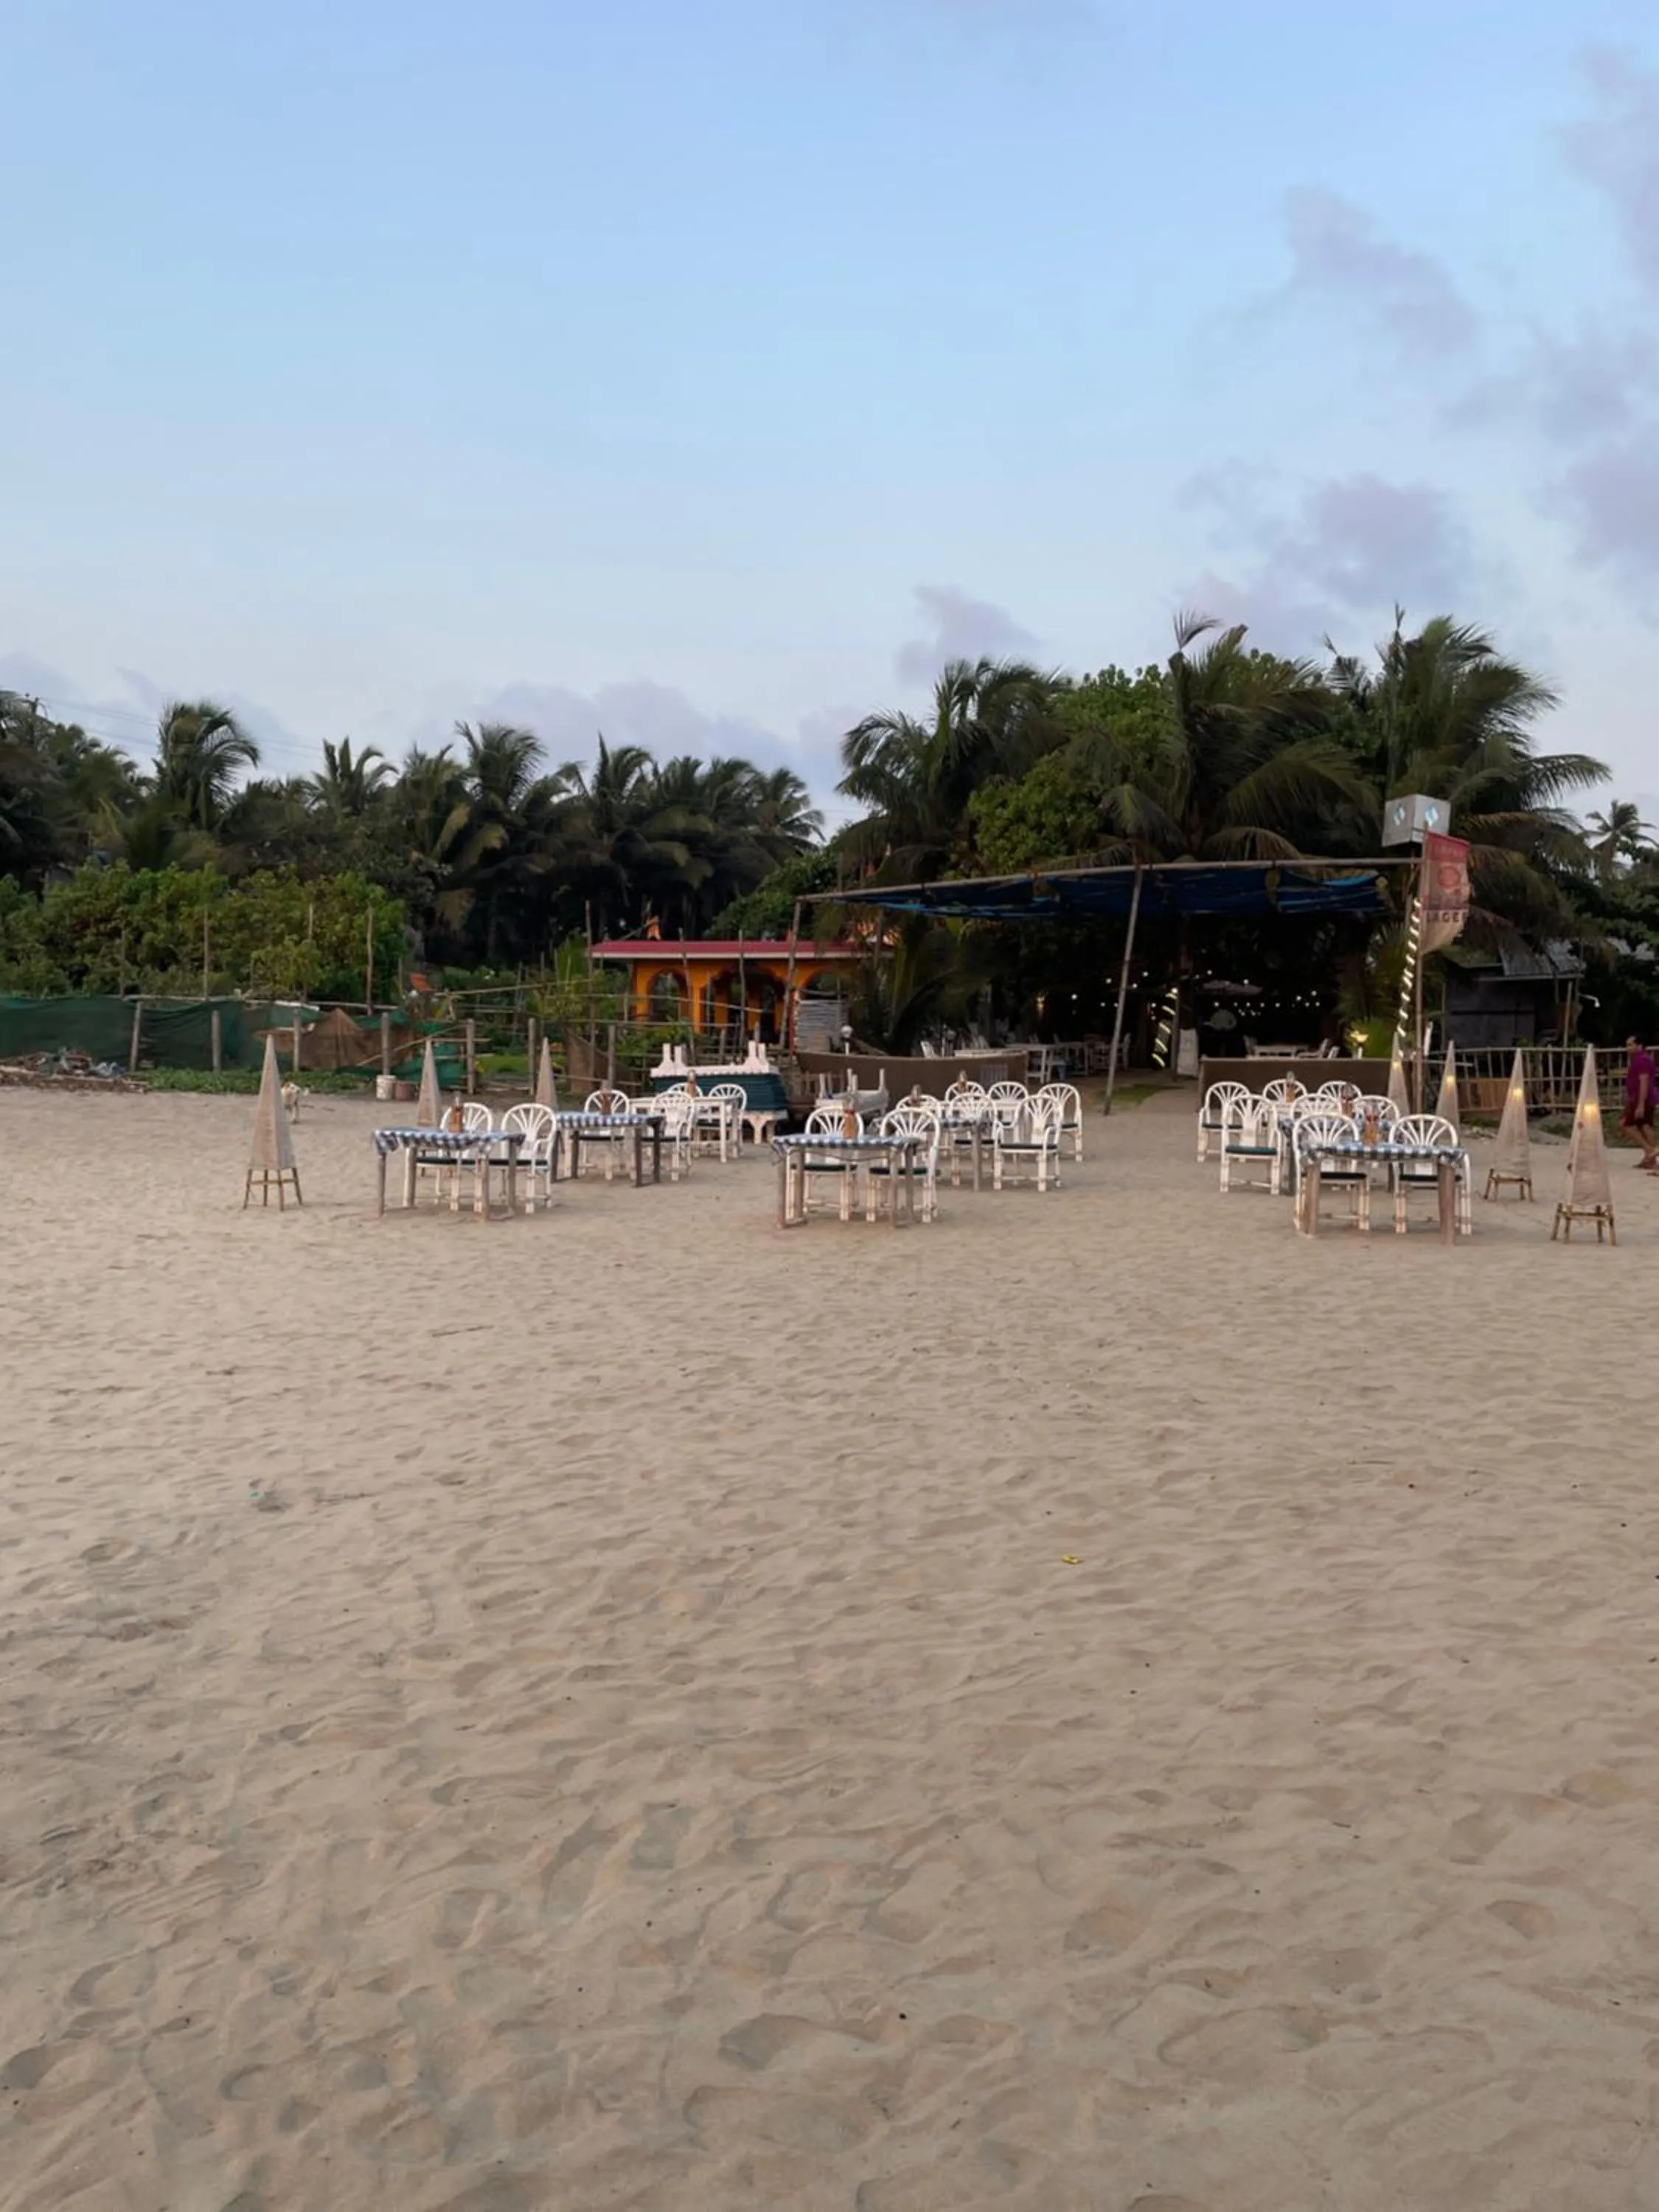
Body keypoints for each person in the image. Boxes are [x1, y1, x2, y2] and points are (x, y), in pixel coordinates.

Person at [1621, 1034, 1658, 1172]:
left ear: (1639, 1046)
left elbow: (1644, 1081)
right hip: (1644, 1097)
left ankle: (1650, 1152)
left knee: (1626, 1124)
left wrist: (1640, 1104)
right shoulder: (1643, 1059)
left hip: (1642, 1098)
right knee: (1645, 1125)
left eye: (1631, 1045)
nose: (1628, 1048)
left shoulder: (1641, 1060)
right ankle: (1651, 1160)